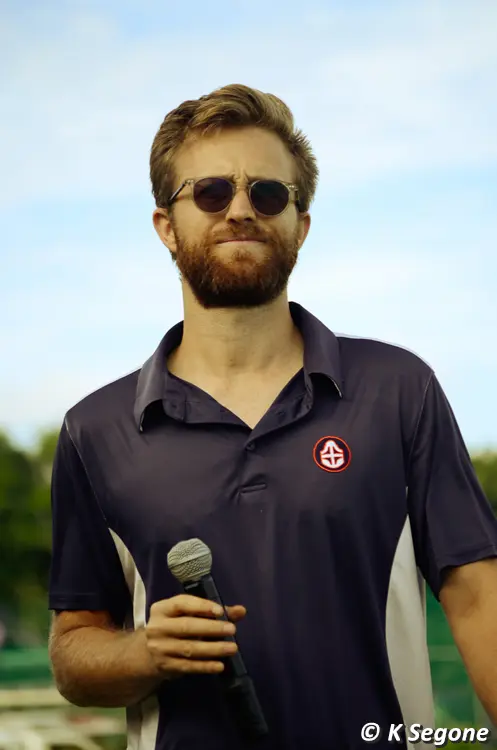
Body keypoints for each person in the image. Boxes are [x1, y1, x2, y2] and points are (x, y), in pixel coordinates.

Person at [48, 84, 497, 750]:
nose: (239, 210)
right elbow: (73, 649)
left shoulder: (398, 390)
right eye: (209, 193)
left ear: (300, 225)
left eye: (266, 194)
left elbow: (478, 598)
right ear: (165, 226)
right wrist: (142, 653)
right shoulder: (95, 431)